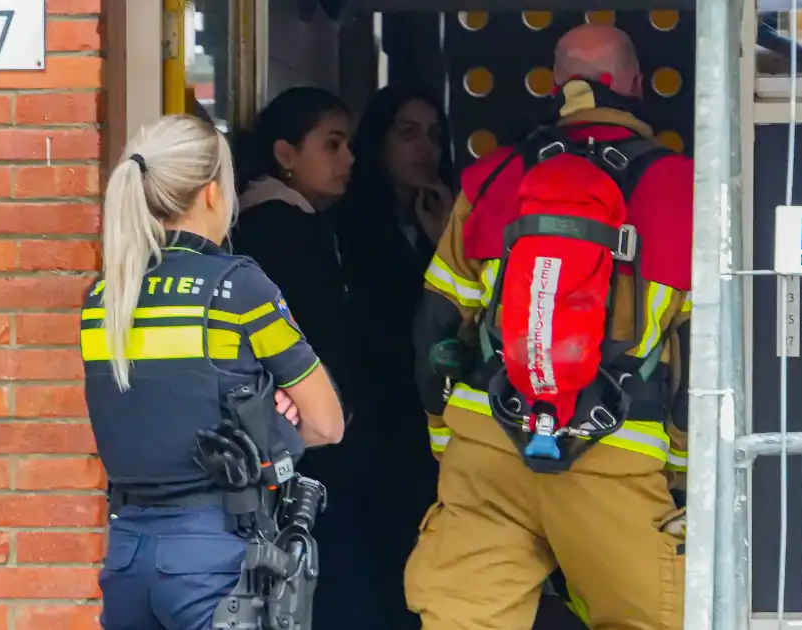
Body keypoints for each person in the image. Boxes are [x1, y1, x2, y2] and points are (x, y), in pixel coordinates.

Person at [405, 24, 692, 630]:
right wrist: (684, 477)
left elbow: (435, 330)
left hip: (488, 450)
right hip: (617, 457)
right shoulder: (686, 192)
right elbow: (697, 362)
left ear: (557, 87)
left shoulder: (492, 180)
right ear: (637, 87)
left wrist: (446, 443)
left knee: (463, 621)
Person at [81, 114, 345, 630]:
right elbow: (328, 423)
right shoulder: (237, 289)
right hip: (215, 560)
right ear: (211, 193)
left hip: (126, 556)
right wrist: (270, 418)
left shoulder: (103, 299)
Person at [229, 87, 386, 630]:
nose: (349, 159)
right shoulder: (280, 227)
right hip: (310, 447)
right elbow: (316, 341)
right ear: (285, 154)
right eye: (333, 145)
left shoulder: (299, 220)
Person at [330, 84, 454, 630]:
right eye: (408, 132)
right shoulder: (348, 223)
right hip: (376, 424)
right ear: (376, 143)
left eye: (433, 135)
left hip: (432, 424)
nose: (424, 147)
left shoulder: (438, 218)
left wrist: (448, 239)